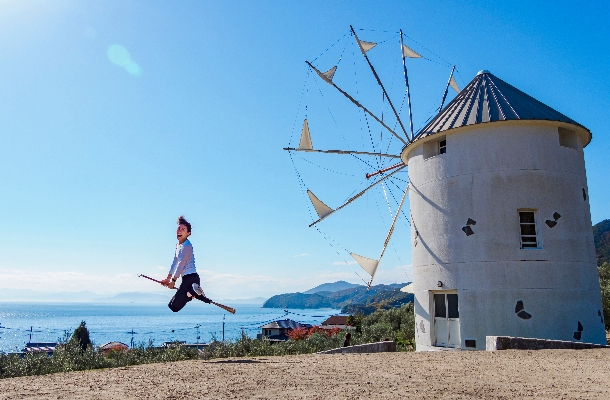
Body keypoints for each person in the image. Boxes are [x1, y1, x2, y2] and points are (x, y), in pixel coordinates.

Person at [160, 216, 211, 312]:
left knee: (174, 307)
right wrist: (168, 279)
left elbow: (181, 264)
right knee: (171, 305)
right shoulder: (178, 245)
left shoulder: (187, 246)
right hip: (188, 279)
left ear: (188, 233)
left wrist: (173, 281)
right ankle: (193, 293)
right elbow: (175, 262)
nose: (179, 231)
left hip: (190, 279)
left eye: (183, 229)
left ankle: (191, 293)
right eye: (179, 228)